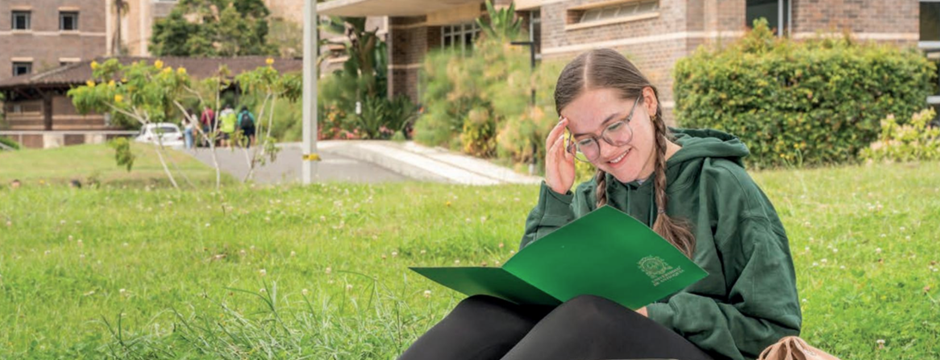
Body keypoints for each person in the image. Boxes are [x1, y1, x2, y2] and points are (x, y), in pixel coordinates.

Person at [399, 49, 802, 360]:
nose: (606, 150)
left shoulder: (722, 184)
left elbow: (773, 329)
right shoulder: (594, 193)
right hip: (608, 343)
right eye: (586, 140)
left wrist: (654, 314)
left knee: (590, 315)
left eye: (614, 126)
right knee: (486, 310)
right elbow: (536, 294)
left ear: (648, 102)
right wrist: (556, 195)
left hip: (697, 352)